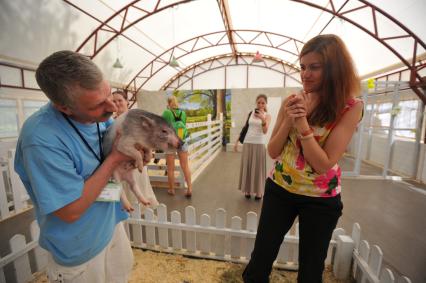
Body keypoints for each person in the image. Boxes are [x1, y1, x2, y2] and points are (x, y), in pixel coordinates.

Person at [242, 34, 363, 283]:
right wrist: (288, 118)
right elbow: (273, 151)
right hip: (280, 189)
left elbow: (323, 164)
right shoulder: (292, 100)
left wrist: (302, 124)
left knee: (310, 270)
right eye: (303, 67)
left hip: (320, 199)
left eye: (314, 67)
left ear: (334, 69)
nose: (305, 74)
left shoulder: (351, 107)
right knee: (260, 260)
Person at [14, 51, 139, 282]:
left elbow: (118, 152)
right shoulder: (42, 139)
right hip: (78, 249)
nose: (111, 107)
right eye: (98, 104)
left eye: (109, 94)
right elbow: (69, 211)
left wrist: (135, 153)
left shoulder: (100, 116)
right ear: (65, 108)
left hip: (110, 227)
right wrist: (114, 159)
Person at [112, 89, 159, 210]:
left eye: (120, 100)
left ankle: (145, 210)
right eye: (114, 101)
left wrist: (148, 152)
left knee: (140, 185)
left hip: (138, 162)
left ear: (127, 102)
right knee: (127, 188)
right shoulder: (111, 122)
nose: (117, 103)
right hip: (122, 164)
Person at [234, 94, 271, 200]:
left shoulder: (267, 116)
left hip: (259, 143)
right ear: (256, 103)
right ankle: (248, 190)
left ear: (265, 104)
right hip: (248, 143)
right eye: (258, 102)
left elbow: (265, 131)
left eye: (263, 103)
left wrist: (263, 119)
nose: (260, 105)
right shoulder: (251, 113)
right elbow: (245, 127)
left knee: (258, 168)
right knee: (248, 166)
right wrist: (237, 141)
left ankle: (259, 192)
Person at [162, 95, 192, 197]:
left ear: (168, 103)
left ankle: (171, 189)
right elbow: (183, 124)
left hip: (171, 142)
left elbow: (162, 125)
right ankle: (190, 189)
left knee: (170, 168)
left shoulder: (167, 112)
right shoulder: (183, 113)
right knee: (185, 166)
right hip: (182, 140)